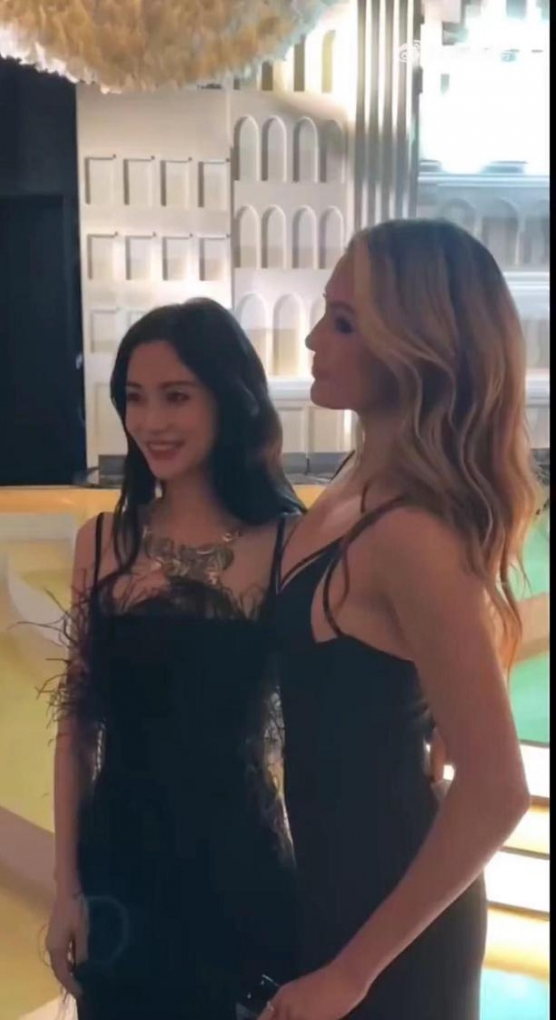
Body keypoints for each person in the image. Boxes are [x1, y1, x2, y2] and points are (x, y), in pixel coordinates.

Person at [261, 219, 537, 1020]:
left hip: (390, 929)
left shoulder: (411, 533)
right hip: (337, 886)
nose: (314, 338)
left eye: (345, 323)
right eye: (327, 311)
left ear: (416, 346)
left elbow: (499, 790)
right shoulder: (359, 480)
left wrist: (352, 973)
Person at [44, 298, 303, 1019]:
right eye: (135, 397)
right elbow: (76, 731)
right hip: (118, 878)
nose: (151, 420)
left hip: (239, 875)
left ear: (230, 398)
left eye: (176, 396)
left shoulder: (288, 544)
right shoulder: (102, 542)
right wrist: (65, 887)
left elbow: (326, 721)